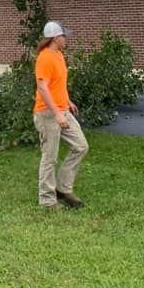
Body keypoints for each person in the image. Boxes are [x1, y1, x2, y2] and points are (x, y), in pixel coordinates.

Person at [33, 20, 88, 209]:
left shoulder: (59, 55)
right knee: (50, 157)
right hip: (47, 113)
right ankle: (47, 201)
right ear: (56, 38)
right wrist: (57, 113)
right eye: (64, 36)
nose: (66, 39)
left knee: (81, 146)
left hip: (62, 109)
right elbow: (42, 87)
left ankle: (63, 189)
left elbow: (58, 85)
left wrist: (68, 102)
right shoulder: (45, 57)